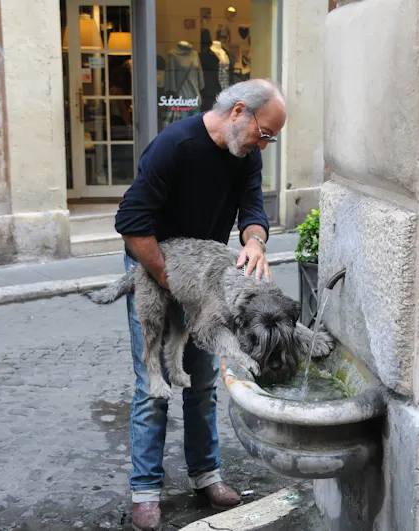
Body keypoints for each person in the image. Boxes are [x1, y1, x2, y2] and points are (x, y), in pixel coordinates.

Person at [113, 78, 286, 531]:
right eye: (263, 133)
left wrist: (254, 242)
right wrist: (169, 283)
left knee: (202, 381)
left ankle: (205, 475)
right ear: (238, 113)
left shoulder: (245, 155)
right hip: (154, 263)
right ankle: (145, 490)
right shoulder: (173, 146)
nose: (263, 143)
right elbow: (132, 224)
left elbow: (253, 209)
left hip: (206, 271)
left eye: (270, 138)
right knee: (153, 383)